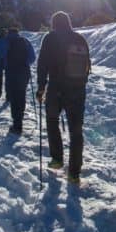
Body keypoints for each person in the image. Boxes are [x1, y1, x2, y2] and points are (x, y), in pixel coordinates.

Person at [36, 11, 91, 184]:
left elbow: (42, 64)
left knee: (52, 121)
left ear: (54, 23)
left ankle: (57, 159)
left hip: (56, 88)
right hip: (78, 90)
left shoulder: (50, 38)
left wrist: (41, 87)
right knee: (76, 130)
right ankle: (74, 173)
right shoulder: (80, 39)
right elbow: (87, 67)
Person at [0, 27, 35, 134]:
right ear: (17, 33)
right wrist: (24, 63)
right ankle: (20, 119)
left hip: (11, 72)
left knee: (14, 98)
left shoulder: (3, 41)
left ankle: (17, 125)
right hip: (24, 72)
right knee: (21, 95)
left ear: (8, 33)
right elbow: (32, 58)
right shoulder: (25, 41)